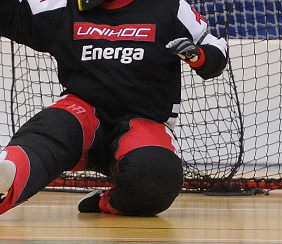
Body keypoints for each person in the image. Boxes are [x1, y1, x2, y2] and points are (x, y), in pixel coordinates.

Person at [0, 0, 228, 216]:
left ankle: (104, 202)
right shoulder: (63, 6)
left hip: (144, 120)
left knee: (156, 175)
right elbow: (10, 14)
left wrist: (199, 57)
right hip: (80, 113)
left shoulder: (170, 7)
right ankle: (7, 179)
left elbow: (215, 46)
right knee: (46, 134)